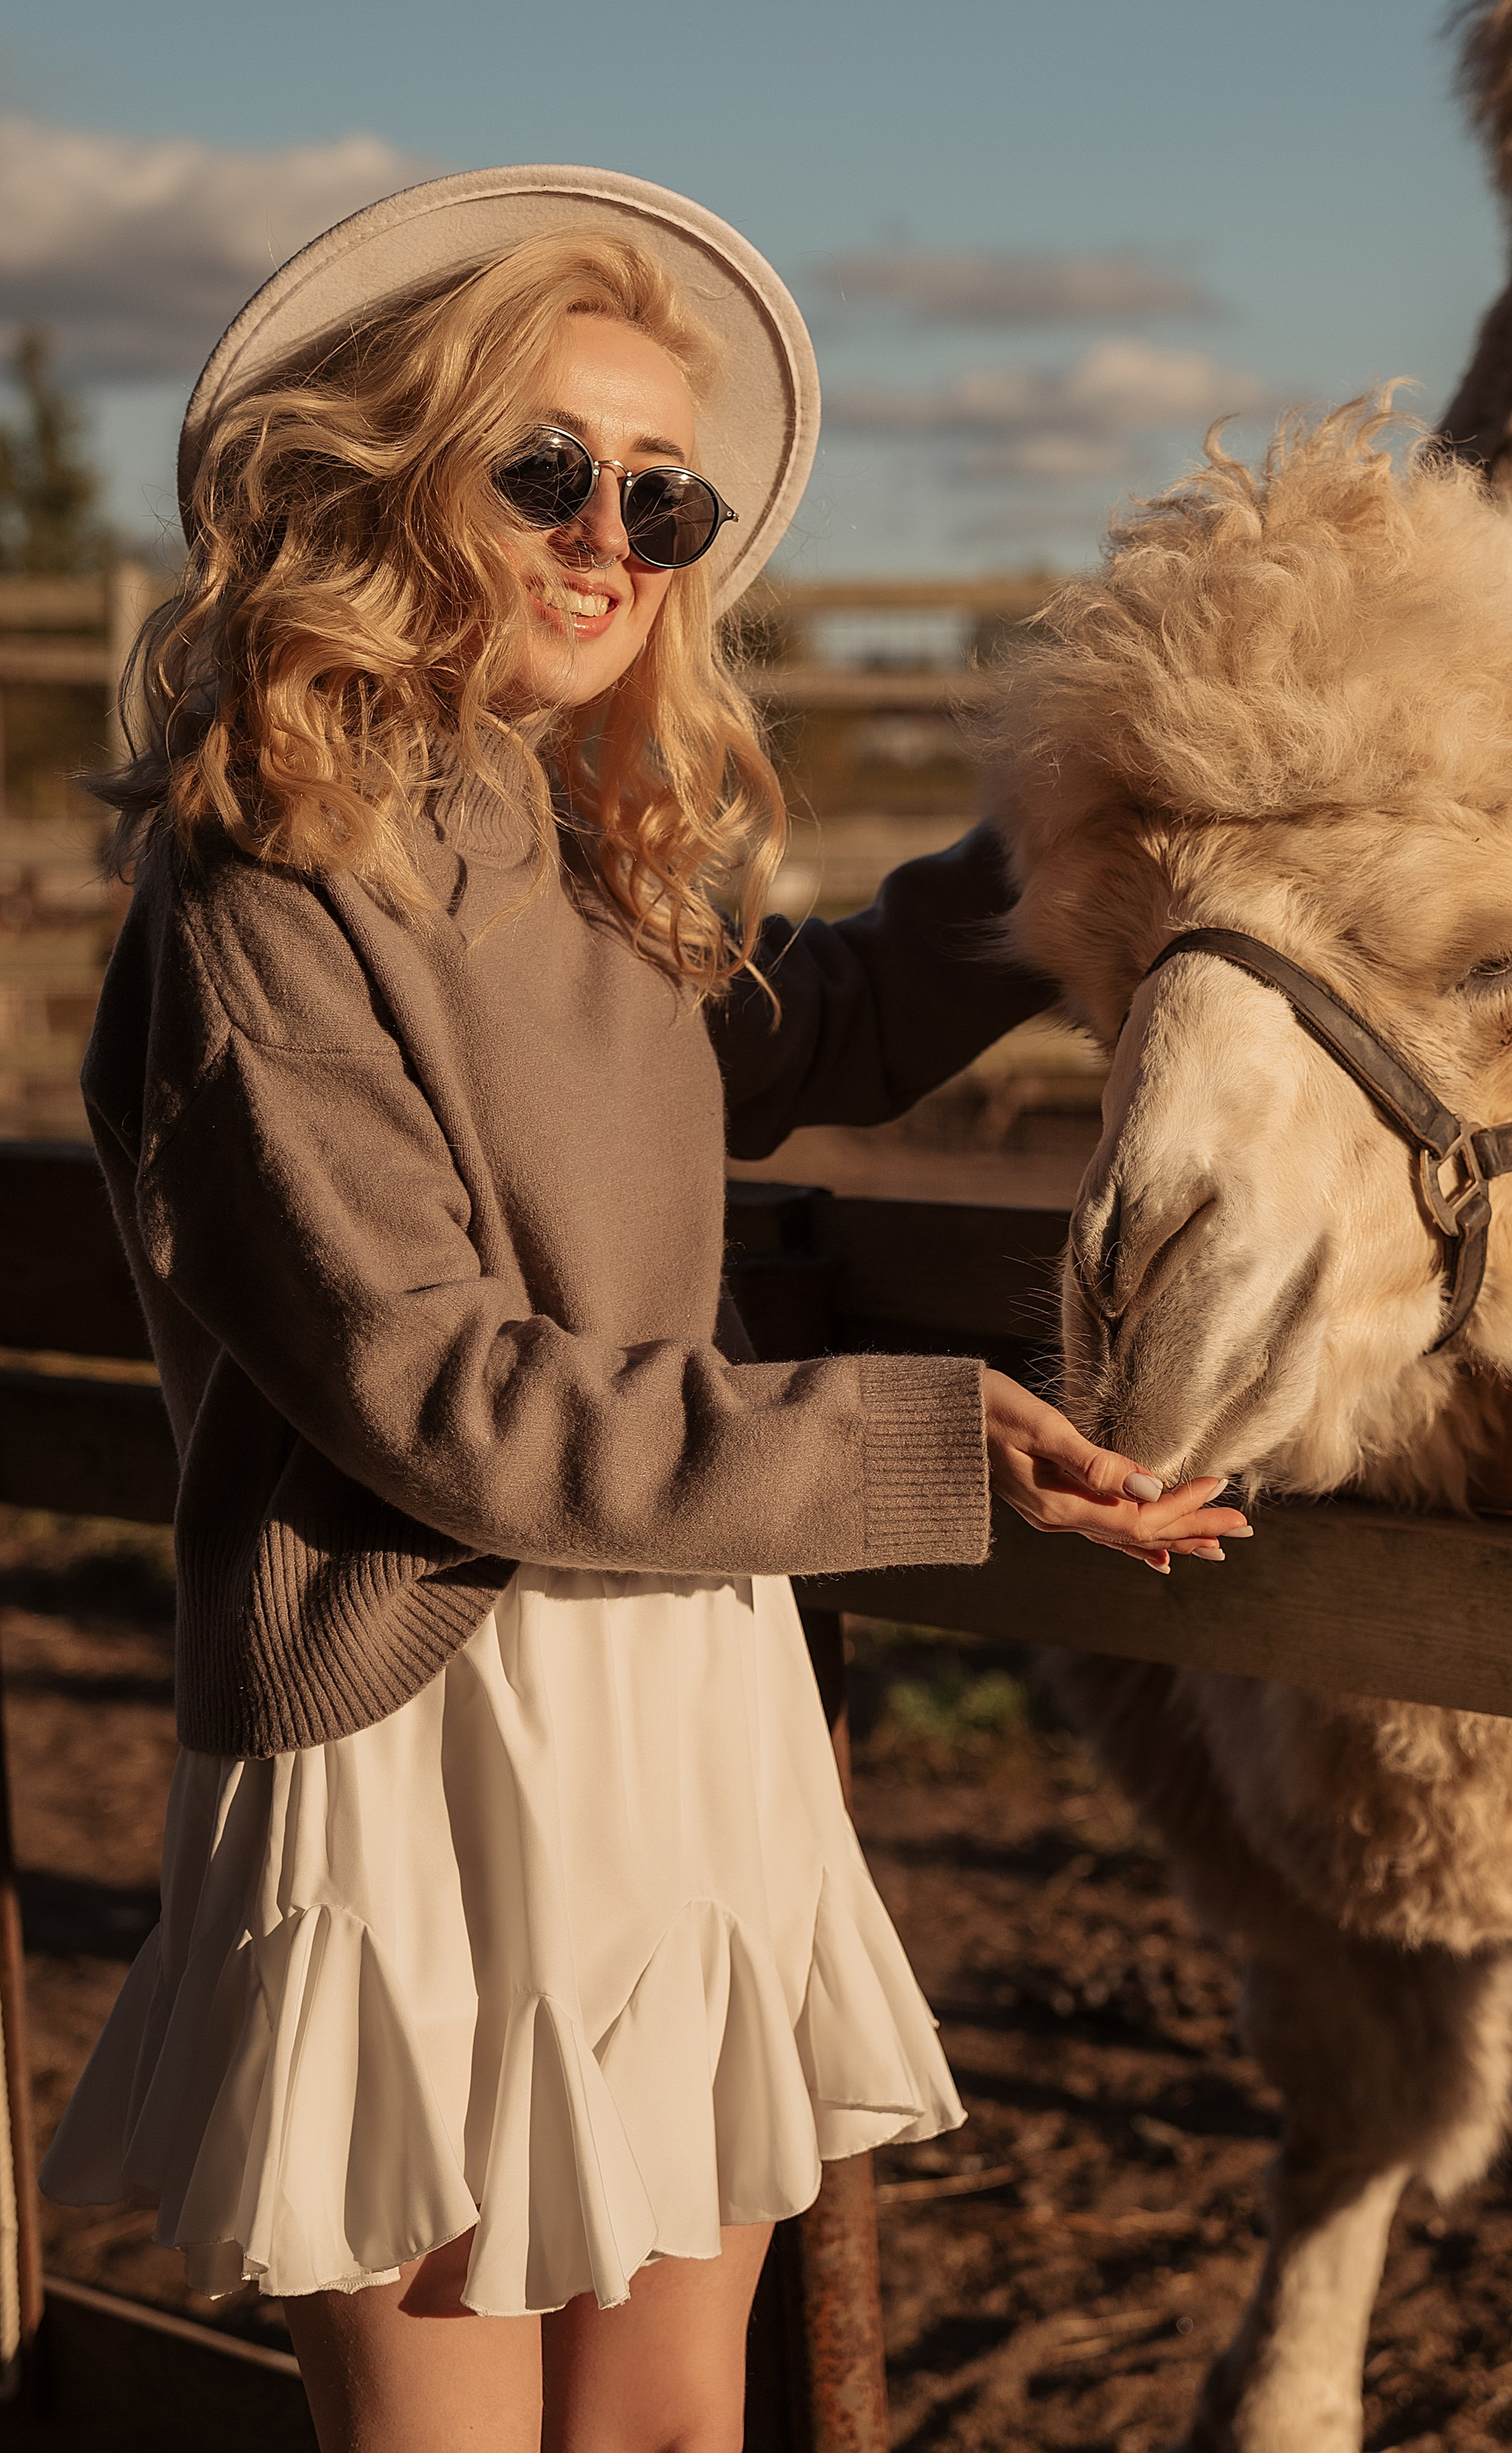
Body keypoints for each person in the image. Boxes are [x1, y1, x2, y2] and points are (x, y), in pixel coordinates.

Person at [40, 169, 1248, 2453]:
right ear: (391, 482)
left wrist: (1100, 811)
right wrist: (911, 1436)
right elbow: (437, 1394)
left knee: (679, 2425)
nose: (614, 537)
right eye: (549, 471)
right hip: (423, 1715)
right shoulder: (259, 890)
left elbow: (819, 1023)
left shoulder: (589, 857)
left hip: (682, 1671)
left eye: (664, 497)